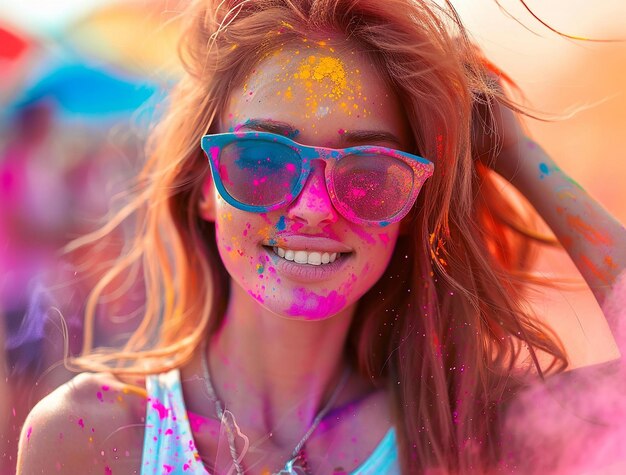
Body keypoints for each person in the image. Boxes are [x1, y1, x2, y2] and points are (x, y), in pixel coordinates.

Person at [15, 0, 626, 474]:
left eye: (368, 173)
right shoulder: (87, 436)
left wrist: (518, 154)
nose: (310, 209)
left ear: (411, 206)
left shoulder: (463, 434)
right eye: (260, 158)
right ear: (204, 188)